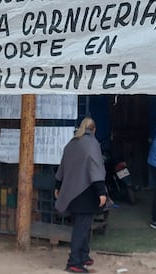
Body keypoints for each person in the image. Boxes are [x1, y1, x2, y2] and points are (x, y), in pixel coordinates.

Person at [55, 117, 108, 273]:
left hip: (71, 192)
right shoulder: (92, 144)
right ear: (94, 129)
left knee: (82, 225)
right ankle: (74, 262)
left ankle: (84, 256)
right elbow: (96, 169)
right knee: (81, 228)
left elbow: (62, 166)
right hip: (86, 192)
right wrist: (101, 192)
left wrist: (57, 186)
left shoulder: (72, 143)